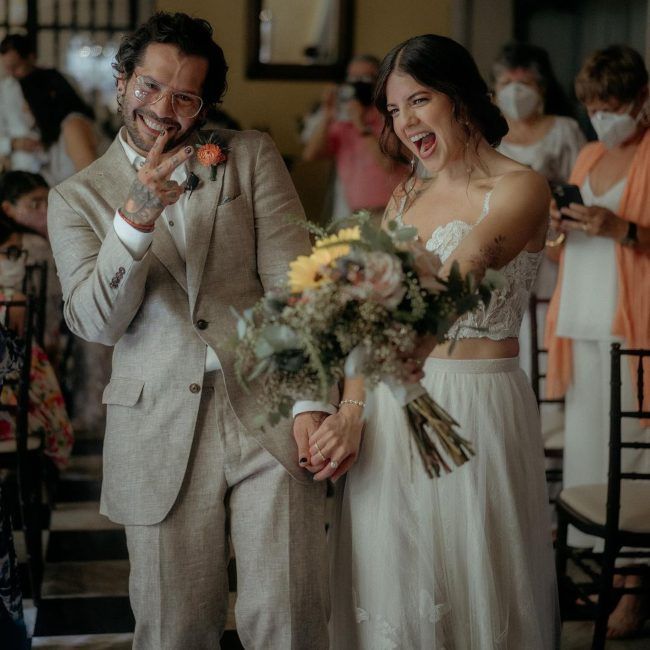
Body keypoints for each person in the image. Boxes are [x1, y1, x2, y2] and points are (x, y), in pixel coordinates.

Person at [46, 12, 331, 648]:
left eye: (184, 96)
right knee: (175, 628)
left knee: (290, 622)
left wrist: (311, 402)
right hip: (155, 426)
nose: (162, 109)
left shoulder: (248, 155)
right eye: (149, 87)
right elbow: (95, 321)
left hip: (271, 415)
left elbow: (294, 286)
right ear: (121, 82)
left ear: (204, 103)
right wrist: (134, 221)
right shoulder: (75, 198)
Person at [310, 34, 559, 648]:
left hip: (474, 408)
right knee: (393, 586)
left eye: (419, 100)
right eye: (394, 110)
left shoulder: (521, 187)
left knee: (469, 581)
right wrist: (351, 408)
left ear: (460, 98)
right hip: (389, 411)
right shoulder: (406, 195)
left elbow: (466, 270)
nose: (406, 121)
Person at [545, 44, 650, 639]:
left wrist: (625, 229)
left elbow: (632, 233)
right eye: (592, 106)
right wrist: (563, 227)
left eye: (611, 106)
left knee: (634, 449)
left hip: (635, 320)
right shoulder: (587, 154)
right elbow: (569, 242)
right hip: (580, 317)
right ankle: (599, 577)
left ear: (641, 101)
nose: (601, 117)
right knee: (592, 450)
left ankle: (635, 590)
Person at [492, 42, 586, 379]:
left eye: (526, 83)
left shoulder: (564, 131)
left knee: (547, 316)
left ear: (542, 88)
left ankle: (552, 390)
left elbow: (582, 189)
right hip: (501, 241)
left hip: (554, 243)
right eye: (506, 84)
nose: (516, 92)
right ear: (494, 90)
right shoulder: (488, 134)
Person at [303, 54, 405, 221]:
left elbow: (388, 163)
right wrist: (328, 116)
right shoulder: (343, 122)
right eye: (353, 77)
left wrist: (361, 126)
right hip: (355, 215)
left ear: (379, 81)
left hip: (390, 212)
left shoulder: (390, 116)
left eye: (365, 77)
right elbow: (310, 154)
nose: (357, 83)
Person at [0, 34, 99, 184]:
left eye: (16, 66)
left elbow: (92, 181)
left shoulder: (71, 125)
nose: (26, 112)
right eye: (7, 67)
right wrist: (14, 144)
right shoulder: (5, 90)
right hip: (27, 168)